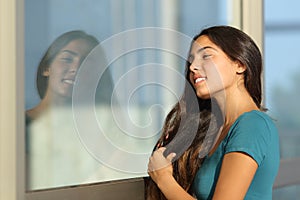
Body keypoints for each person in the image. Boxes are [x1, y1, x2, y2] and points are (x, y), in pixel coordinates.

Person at [146, 25, 280, 200]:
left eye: (206, 56)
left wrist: (164, 179)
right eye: (191, 60)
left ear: (239, 64)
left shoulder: (252, 125)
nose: (193, 67)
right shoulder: (216, 130)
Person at [25, 30, 117, 190]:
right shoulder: (18, 127)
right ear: (47, 67)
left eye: (87, 63)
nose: (76, 68)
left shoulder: (100, 134)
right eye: (67, 59)